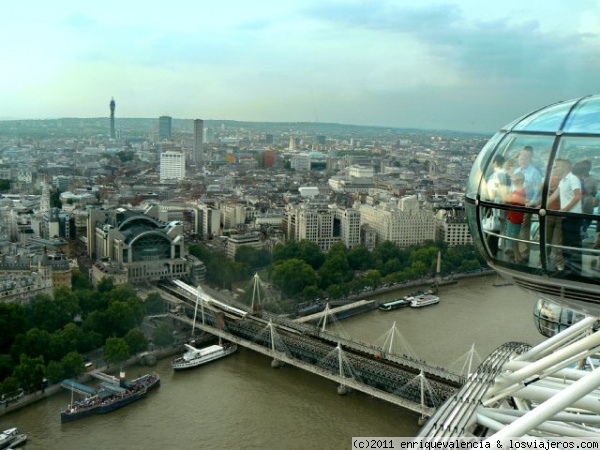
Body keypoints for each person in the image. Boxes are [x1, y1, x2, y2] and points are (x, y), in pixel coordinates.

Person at [547, 158, 582, 272]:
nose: (554, 169)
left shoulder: (573, 179)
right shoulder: (562, 181)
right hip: (566, 217)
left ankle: (575, 272)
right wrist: (539, 206)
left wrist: (564, 210)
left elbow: (577, 196)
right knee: (566, 243)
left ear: (564, 167)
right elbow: (554, 196)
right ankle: (569, 269)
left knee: (573, 244)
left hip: (573, 217)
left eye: (556, 166)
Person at [512, 146, 543, 262]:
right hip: (516, 204)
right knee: (515, 227)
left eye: (525, 158)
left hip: (526, 204)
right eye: (520, 157)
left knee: (523, 227)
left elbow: (538, 190)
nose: (522, 160)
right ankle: (516, 251)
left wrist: (531, 203)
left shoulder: (534, 173)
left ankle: (524, 253)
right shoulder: (516, 171)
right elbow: (512, 188)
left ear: (530, 159)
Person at [485, 154, 510, 257]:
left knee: (494, 229)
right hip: (502, 205)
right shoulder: (505, 174)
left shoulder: (497, 175)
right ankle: (499, 248)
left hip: (497, 205)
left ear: (495, 162)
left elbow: (494, 192)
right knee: (501, 228)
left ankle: (494, 251)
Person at [544, 170, 564, 271]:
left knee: (557, 240)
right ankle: (546, 261)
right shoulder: (548, 182)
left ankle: (552, 262)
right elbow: (542, 193)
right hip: (551, 213)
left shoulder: (565, 182)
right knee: (549, 239)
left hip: (558, 213)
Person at [506, 172, 527, 263]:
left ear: (520, 181)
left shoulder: (521, 192)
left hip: (516, 218)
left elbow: (509, 200)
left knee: (514, 238)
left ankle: (518, 257)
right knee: (513, 238)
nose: (514, 182)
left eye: (515, 180)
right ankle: (517, 257)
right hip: (513, 217)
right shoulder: (518, 191)